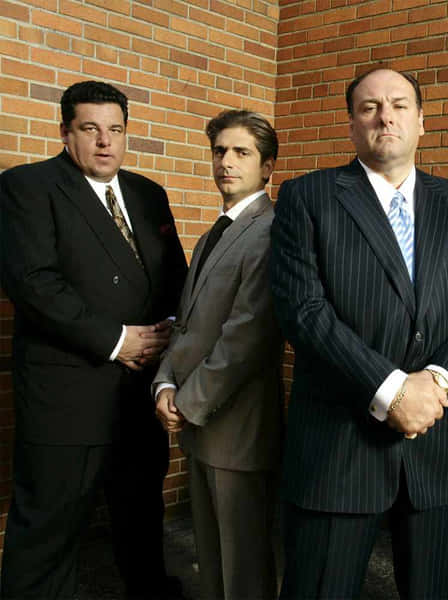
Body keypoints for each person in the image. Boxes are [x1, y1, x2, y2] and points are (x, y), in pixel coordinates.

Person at [270, 68, 448, 599]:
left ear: (422, 121)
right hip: (339, 446)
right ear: (352, 126)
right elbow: (303, 311)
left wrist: (442, 382)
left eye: (399, 105)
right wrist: (392, 389)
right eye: (369, 107)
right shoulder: (307, 197)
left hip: (436, 447)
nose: (385, 116)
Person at [0, 81, 187, 599]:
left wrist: (170, 327)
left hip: (140, 392)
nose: (105, 142)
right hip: (67, 396)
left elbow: (175, 277)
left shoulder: (150, 194)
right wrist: (116, 340)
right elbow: (33, 284)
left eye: (116, 130)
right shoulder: (27, 187)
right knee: (48, 532)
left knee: (141, 518)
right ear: (65, 133)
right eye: (90, 129)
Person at [152, 110, 283, 600]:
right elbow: (185, 325)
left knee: (244, 572)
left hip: (240, 430)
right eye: (219, 151)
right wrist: (164, 383)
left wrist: (185, 402)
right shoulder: (214, 235)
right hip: (200, 425)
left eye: (241, 152)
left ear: (267, 167)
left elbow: (247, 336)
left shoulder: (271, 231)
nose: (226, 162)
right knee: (212, 565)